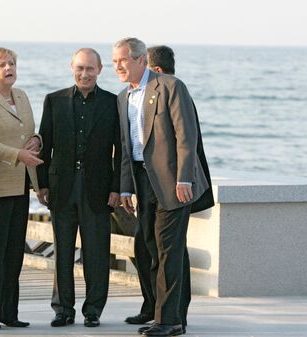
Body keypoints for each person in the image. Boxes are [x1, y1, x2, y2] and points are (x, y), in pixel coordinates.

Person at [113, 37, 209, 337]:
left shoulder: (170, 86)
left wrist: (185, 179)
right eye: (114, 61)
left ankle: (169, 321)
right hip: (143, 181)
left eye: (123, 60)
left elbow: (186, 136)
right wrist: (126, 188)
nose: (118, 66)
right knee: (152, 245)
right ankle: (167, 312)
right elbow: (127, 146)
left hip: (172, 181)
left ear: (141, 60)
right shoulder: (123, 96)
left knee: (168, 249)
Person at [36, 48, 121, 328]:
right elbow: (43, 146)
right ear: (72, 67)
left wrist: (117, 188)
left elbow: (120, 150)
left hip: (98, 188)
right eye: (80, 68)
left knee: (97, 252)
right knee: (62, 251)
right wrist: (42, 183)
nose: (84, 74)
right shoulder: (54, 100)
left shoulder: (113, 103)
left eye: (90, 69)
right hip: (62, 187)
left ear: (100, 70)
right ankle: (63, 309)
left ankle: (93, 309)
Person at [0, 47, 43, 330]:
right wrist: (18, 155)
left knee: (15, 252)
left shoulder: (22, 96)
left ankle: (9, 312)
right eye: (2, 64)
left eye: (12, 63)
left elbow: (30, 131)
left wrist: (36, 141)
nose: (9, 68)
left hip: (22, 183)